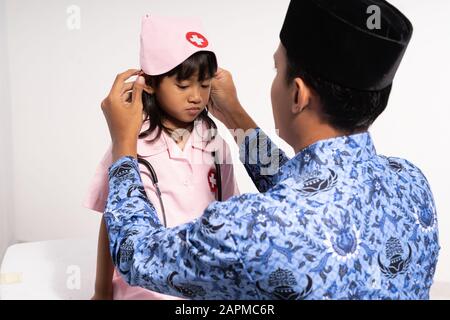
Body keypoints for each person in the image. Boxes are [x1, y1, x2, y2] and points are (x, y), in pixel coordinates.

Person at [100, 0, 439, 299]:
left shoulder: (248, 228)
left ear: (298, 95)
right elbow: (306, 188)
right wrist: (233, 114)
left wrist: (124, 146)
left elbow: (136, 256)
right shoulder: (411, 183)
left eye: (278, 70)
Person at [84, 14, 239, 300]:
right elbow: (112, 221)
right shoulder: (130, 142)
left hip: (204, 283)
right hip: (145, 285)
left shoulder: (215, 142)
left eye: (204, 85)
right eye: (183, 86)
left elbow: (229, 216)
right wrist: (100, 292)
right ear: (151, 83)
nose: (196, 96)